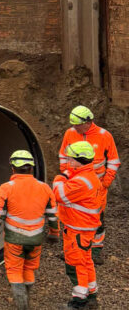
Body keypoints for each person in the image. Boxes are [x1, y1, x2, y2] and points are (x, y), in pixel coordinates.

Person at [0, 150, 59, 310]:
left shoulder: (6, 188)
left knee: (14, 269)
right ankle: (27, 295)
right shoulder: (45, 188)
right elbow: (53, 215)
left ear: (12, 168)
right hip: (36, 239)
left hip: (15, 239)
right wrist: (54, 233)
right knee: (29, 267)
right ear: (31, 168)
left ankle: (22, 303)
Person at [59, 105, 120, 264]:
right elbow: (63, 155)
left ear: (88, 122)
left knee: (96, 217)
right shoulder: (70, 133)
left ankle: (95, 251)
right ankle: (73, 250)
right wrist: (65, 172)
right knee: (73, 217)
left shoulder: (104, 135)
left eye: (78, 125)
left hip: (97, 187)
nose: (75, 128)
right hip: (75, 185)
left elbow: (114, 161)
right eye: (73, 125)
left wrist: (107, 181)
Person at [54, 141, 103, 309]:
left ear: (79, 160)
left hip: (77, 229)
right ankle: (91, 294)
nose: (68, 160)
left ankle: (79, 301)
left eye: (71, 158)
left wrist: (60, 178)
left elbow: (59, 194)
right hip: (85, 229)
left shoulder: (81, 182)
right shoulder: (87, 176)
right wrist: (69, 173)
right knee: (86, 261)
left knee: (75, 264)